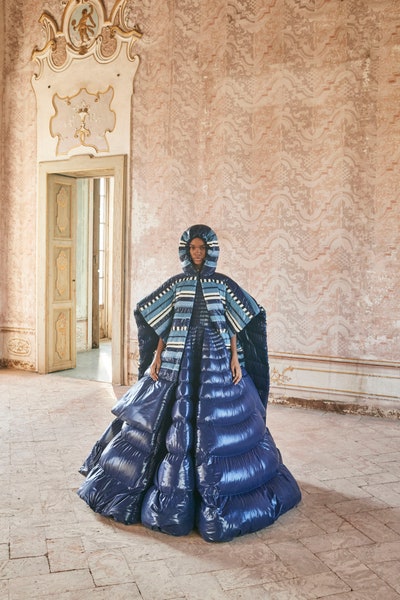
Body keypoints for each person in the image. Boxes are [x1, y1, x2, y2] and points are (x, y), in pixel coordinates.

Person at [78, 224, 301, 542]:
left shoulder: (222, 284)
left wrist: (235, 358)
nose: (198, 253)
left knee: (216, 427)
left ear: (211, 250)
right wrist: (157, 357)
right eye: (193, 248)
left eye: (202, 248)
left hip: (215, 358)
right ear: (186, 250)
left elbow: (234, 322)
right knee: (163, 423)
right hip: (177, 358)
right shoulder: (177, 284)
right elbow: (163, 324)